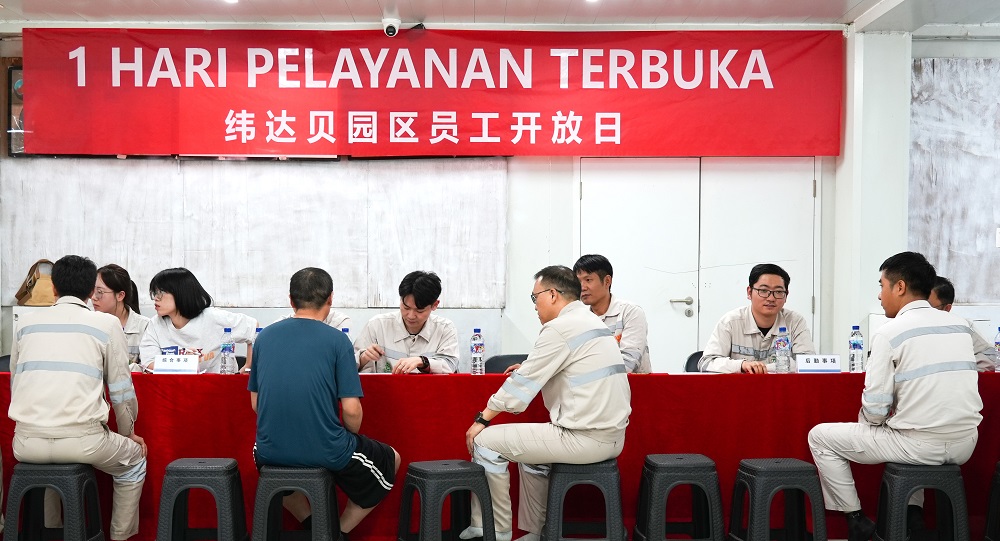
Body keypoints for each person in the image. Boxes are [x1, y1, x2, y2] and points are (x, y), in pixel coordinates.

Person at [808, 252, 983, 541]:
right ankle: (912, 515)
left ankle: (855, 520)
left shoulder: (889, 333)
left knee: (820, 436)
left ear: (899, 287)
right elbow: (988, 359)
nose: (880, 295)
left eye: (882, 286)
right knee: (906, 427)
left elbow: (875, 409)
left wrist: (871, 425)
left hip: (919, 446)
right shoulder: (962, 325)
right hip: (966, 443)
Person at [462, 265, 631, 541]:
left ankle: (494, 529)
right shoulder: (591, 321)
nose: (534, 306)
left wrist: (482, 419)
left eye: (535, 297)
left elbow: (519, 388)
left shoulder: (560, 328)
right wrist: (531, 368)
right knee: (531, 455)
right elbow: (565, 365)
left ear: (552, 294)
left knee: (485, 442)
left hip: (583, 439)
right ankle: (535, 532)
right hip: (613, 437)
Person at [250, 268, 399, 538]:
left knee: (272, 470)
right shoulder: (338, 341)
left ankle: (312, 526)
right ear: (330, 299)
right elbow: (351, 410)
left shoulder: (264, 338)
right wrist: (350, 437)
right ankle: (336, 532)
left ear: (291, 300)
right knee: (392, 459)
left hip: (268, 451)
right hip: (327, 449)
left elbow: (255, 405)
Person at [8, 255, 148, 541]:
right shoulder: (107, 324)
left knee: (50, 470)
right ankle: (120, 537)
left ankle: (53, 534)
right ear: (90, 291)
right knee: (134, 461)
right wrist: (128, 434)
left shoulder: (25, 324)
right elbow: (121, 391)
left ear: (54, 288)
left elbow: (16, 383)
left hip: (25, 443)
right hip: (84, 442)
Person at [699, 263, 816, 373]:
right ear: (749, 292)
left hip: (780, 387)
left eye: (778, 291)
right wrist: (742, 365)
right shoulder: (730, 322)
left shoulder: (794, 322)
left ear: (786, 296)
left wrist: (762, 368)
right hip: (739, 387)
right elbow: (706, 362)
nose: (771, 298)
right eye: (763, 291)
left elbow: (807, 362)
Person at [138, 267, 257, 373]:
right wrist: (185, 363)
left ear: (181, 293)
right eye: (154, 293)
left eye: (160, 293)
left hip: (216, 387)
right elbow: (149, 363)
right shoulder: (155, 324)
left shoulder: (213, 317)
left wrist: (248, 367)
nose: (155, 298)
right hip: (175, 388)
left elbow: (253, 327)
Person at [353, 270, 459, 374]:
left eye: (419, 310)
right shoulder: (377, 325)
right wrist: (364, 357)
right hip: (386, 386)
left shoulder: (445, 328)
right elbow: (349, 366)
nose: (411, 316)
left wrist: (423, 361)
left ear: (435, 305)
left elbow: (450, 364)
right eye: (406, 307)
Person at [572, 254, 651, 373]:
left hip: (632, 383)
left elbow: (629, 362)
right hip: (594, 383)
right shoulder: (580, 320)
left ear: (607, 281)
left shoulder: (630, 312)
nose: (582, 287)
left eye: (588, 280)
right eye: (578, 282)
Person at [929, 276, 997, 372]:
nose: (921, 310)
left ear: (947, 308)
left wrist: (955, 368)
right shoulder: (909, 324)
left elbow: (990, 357)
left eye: (928, 307)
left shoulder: (961, 327)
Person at [92, 264, 150, 369]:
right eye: (93, 291)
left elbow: (147, 369)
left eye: (99, 292)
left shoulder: (145, 327)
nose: (93, 297)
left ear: (120, 295)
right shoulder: (90, 324)